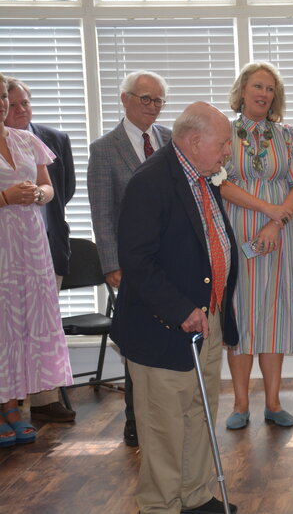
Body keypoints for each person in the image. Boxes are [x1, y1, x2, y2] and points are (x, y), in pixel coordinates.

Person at [110, 102, 239, 514]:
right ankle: (162, 506)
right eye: (222, 144)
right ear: (194, 140)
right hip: (165, 327)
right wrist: (181, 310)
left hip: (208, 317)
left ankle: (195, 495)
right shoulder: (151, 182)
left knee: (201, 411)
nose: (227, 153)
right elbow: (137, 260)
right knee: (165, 426)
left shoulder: (201, 176)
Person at [220, 62, 293, 430]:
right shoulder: (224, 133)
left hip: (279, 238)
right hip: (237, 233)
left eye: (270, 89)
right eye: (257, 86)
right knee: (241, 313)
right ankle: (241, 403)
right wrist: (266, 209)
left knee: (274, 316)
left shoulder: (289, 136)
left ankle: (274, 402)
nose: (264, 94)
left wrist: (277, 222)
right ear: (242, 90)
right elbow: (220, 183)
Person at [87, 70, 171, 447]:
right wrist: (111, 265)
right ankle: (135, 418)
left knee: (169, 338)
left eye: (158, 101)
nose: (152, 107)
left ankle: (168, 415)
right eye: (145, 99)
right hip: (131, 265)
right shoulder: (104, 149)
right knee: (138, 341)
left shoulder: (171, 140)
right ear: (125, 99)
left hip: (171, 260)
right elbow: (102, 214)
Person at [0, 72, 73, 447]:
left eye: (3, 96)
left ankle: (13, 406)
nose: (2, 104)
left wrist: (36, 194)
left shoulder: (27, 140)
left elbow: (50, 187)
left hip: (30, 246)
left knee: (23, 325)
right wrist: (6, 198)